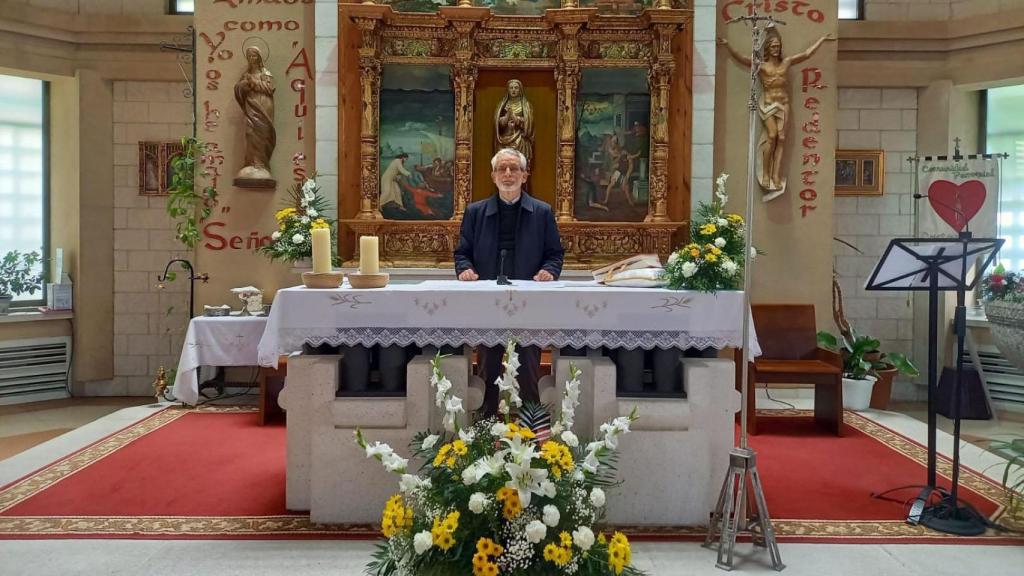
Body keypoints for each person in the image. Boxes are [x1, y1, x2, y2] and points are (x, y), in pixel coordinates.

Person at [454, 148, 564, 417]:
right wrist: (465, 269)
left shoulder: (542, 212)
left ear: (525, 175)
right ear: (493, 176)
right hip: (489, 303)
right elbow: (462, 253)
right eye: (502, 169)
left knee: (528, 366)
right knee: (488, 366)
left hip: (528, 304)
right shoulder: (475, 212)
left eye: (514, 169)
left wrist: (549, 271)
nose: (508, 174)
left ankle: (532, 425)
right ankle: (485, 425)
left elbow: (554, 254)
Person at [719, 29, 831, 199]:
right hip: (768, 104)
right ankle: (765, 173)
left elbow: (807, 54)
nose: (776, 49)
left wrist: (821, 40)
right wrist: (729, 46)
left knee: (782, 138)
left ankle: (775, 175)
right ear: (768, 48)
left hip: (784, 104)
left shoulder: (786, 62)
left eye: (778, 46)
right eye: (773, 46)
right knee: (771, 136)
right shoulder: (762, 65)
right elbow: (743, 59)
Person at [233, 46, 276, 184]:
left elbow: (269, 88)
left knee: (262, 134)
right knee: (250, 132)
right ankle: (251, 162)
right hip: (250, 106)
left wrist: (252, 82)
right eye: (249, 56)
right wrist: (244, 84)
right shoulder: (245, 75)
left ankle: (261, 164)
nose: (252, 58)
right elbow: (239, 90)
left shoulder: (265, 73)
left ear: (259, 57)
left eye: (254, 56)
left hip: (263, 106)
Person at [494, 79, 535, 168]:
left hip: (520, 139)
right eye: (511, 88)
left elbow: (529, 123)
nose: (513, 90)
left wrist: (517, 119)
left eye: (516, 88)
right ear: (508, 90)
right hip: (504, 139)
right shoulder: (502, 105)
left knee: (520, 166)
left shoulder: (526, 105)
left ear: (520, 90)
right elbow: (497, 123)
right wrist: (506, 118)